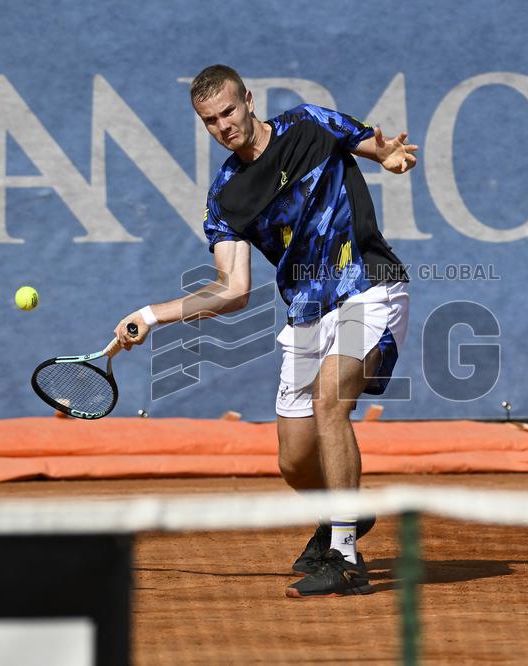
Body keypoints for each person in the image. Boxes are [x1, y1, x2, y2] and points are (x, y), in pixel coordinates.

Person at [114, 64, 415, 598]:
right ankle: (344, 512)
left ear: (249, 100)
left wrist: (388, 156)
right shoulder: (226, 196)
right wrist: (153, 315)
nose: (223, 126)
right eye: (210, 120)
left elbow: (376, 148)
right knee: (293, 460)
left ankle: (345, 557)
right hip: (306, 312)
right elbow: (232, 290)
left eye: (228, 111)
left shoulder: (309, 125)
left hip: (368, 286)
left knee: (330, 401)